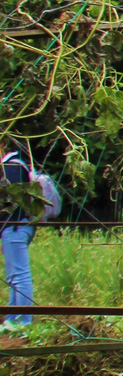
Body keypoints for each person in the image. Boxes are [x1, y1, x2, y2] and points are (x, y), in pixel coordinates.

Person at [1, 140, 37, 330]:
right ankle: (12, 319)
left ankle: (23, 322)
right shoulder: (17, 165)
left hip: (15, 226)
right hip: (17, 226)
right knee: (14, 276)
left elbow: (12, 204)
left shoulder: (11, 167)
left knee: (20, 275)